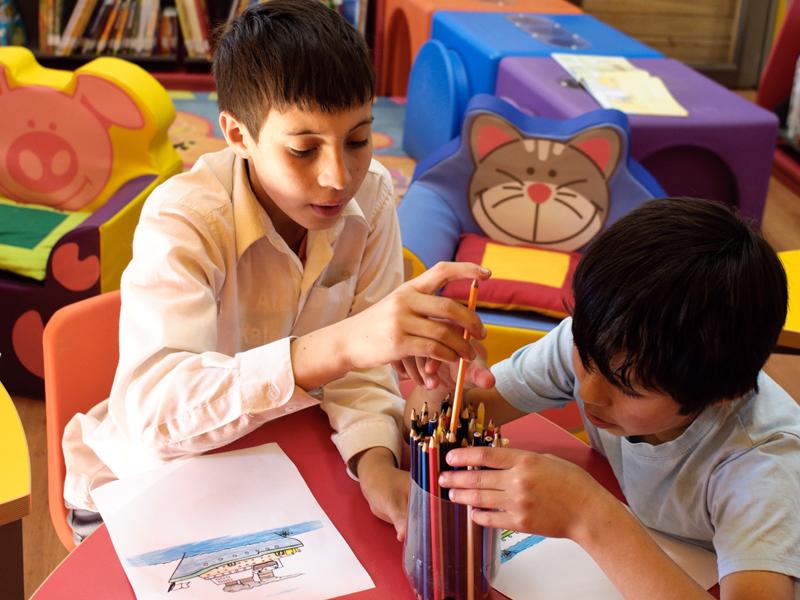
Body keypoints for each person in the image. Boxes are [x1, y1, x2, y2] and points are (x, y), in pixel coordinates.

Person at [61, 0, 490, 544]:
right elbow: (155, 415)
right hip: (140, 482)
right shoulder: (184, 218)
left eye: (358, 140)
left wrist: (375, 465)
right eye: (303, 150)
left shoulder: (373, 196)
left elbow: (364, 374)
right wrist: (344, 344)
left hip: (278, 468)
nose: (339, 177)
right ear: (238, 136)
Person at [408, 197, 800, 599]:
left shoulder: (762, 464)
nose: (588, 393)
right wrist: (439, 378)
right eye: (585, 359)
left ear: (721, 395)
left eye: (628, 388)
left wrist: (589, 514)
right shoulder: (600, 341)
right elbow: (446, 420)